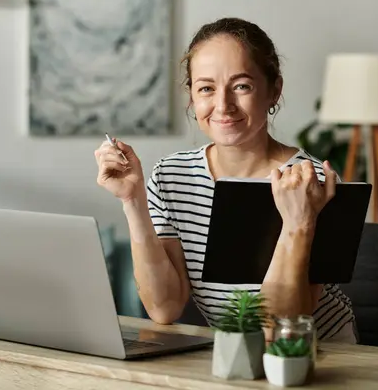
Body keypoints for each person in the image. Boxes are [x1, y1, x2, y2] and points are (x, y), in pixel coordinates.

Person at [95, 17, 357, 343]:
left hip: (320, 355)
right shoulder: (170, 177)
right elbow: (164, 307)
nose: (223, 106)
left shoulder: (311, 181)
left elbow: (282, 329)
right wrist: (133, 202)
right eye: (206, 88)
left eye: (241, 86)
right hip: (238, 357)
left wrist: (298, 222)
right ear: (192, 97)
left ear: (274, 90)